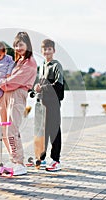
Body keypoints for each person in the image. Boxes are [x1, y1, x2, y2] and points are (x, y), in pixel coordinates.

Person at [0, 32, 37, 175]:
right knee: (4, 129)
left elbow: (15, 81)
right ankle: (13, 159)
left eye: (21, 44)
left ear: (27, 45)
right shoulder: (18, 61)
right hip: (6, 94)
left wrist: (0, 84)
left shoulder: (30, 63)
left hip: (17, 94)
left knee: (12, 128)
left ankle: (19, 162)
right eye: (16, 45)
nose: (18, 48)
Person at [34, 39, 64, 171]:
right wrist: (36, 88)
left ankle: (56, 160)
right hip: (42, 102)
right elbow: (40, 85)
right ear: (41, 51)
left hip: (53, 103)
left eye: (49, 49)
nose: (47, 52)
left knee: (54, 130)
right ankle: (42, 158)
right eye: (45, 49)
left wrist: (43, 88)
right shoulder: (42, 66)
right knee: (42, 130)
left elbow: (58, 85)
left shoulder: (56, 66)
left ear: (54, 51)